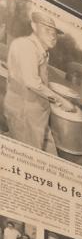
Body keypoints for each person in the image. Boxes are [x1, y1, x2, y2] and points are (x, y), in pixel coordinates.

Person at [4, 10, 59, 151]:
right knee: (30, 156)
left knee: (50, 157)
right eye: (47, 30)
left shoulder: (43, 52)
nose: (53, 36)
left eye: (55, 33)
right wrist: (60, 100)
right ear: (34, 27)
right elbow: (32, 82)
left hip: (39, 114)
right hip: (24, 112)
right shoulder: (26, 46)